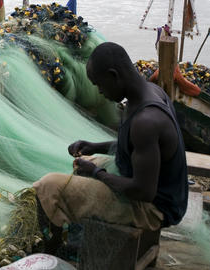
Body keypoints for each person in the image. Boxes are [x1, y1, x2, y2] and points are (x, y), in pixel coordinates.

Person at [34, 42, 188, 250]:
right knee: (83, 163)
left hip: (154, 208)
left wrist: (98, 173)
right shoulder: (150, 92)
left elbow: (143, 191)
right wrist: (94, 146)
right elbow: (137, 146)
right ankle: (78, 236)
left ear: (114, 75)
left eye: (99, 84)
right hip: (160, 189)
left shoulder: (146, 121)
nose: (100, 92)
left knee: (48, 186)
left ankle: (56, 251)